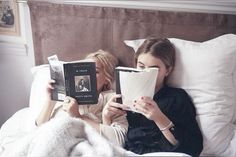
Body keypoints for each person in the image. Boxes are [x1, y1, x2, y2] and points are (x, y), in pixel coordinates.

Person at [122, 38, 203, 156]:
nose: (146, 73)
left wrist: (159, 118)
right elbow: (117, 138)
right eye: (141, 66)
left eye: (153, 69)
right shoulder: (125, 94)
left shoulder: (177, 98)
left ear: (168, 70)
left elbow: (194, 148)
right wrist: (107, 117)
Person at [35, 50, 128, 146]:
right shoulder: (66, 95)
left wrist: (78, 117)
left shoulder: (112, 100)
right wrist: (50, 101)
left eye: (95, 71)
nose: (86, 76)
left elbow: (119, 141)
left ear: (107, 79)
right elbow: (38, 130)